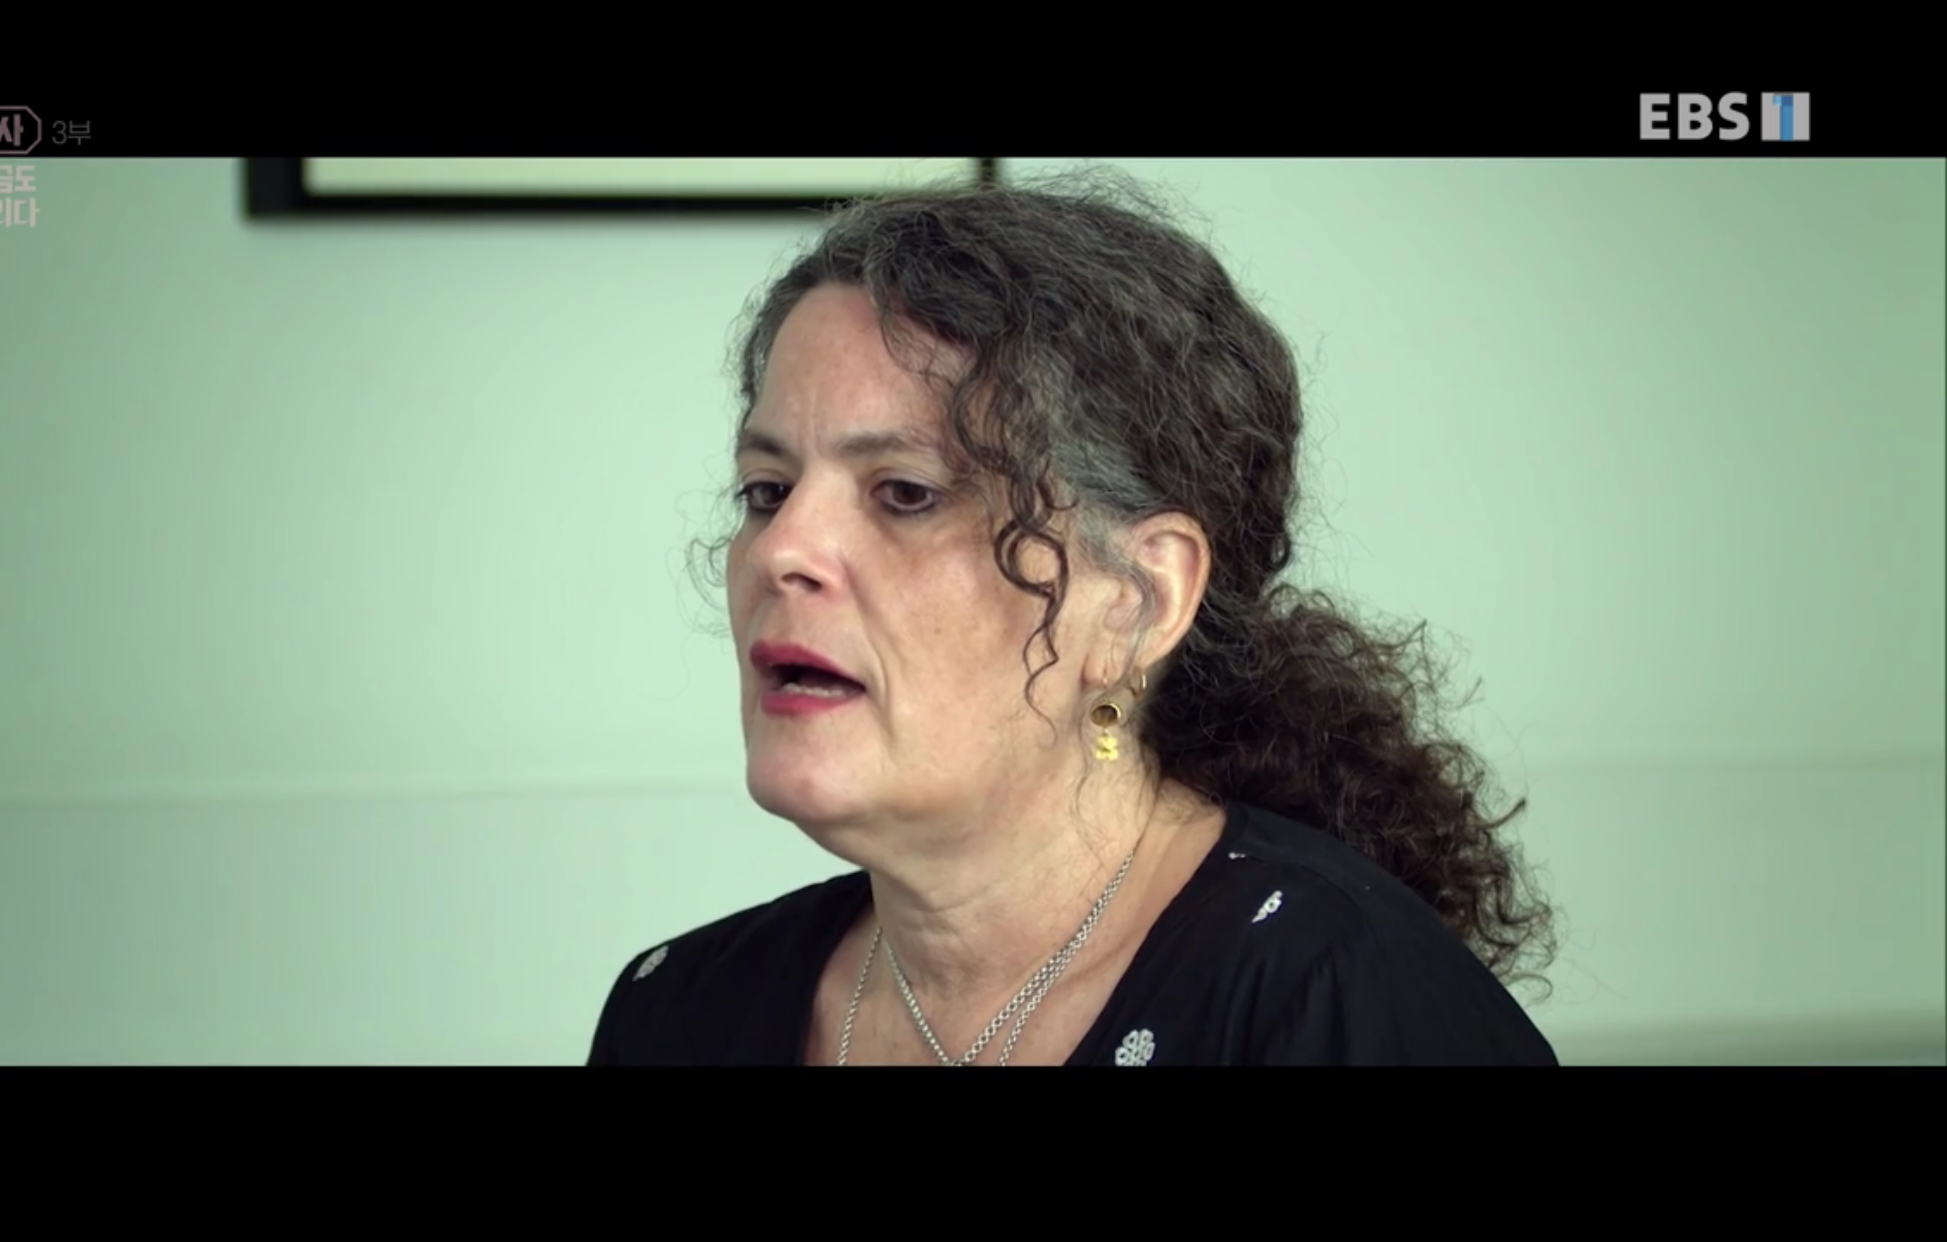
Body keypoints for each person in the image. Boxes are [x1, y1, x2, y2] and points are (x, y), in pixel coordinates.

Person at [586, 170, 1559, 1066]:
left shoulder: (1335, 998)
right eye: (766, 490)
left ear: (1137, 601)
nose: (781, 550)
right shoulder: (677, 1014)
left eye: (906, 493)